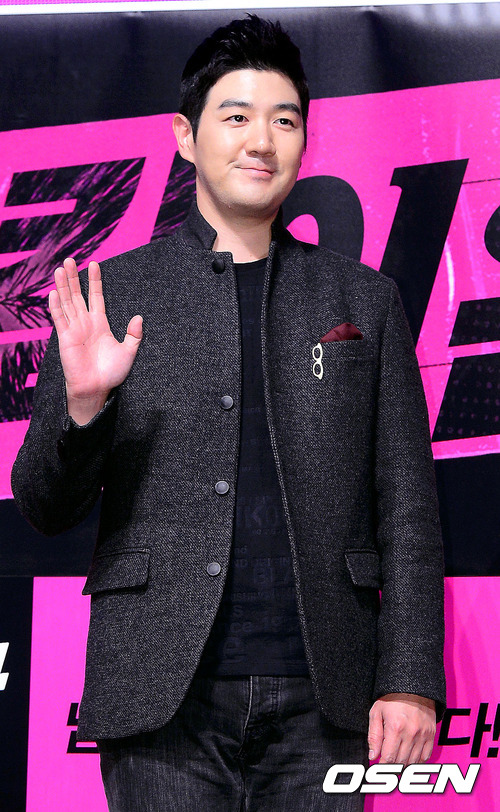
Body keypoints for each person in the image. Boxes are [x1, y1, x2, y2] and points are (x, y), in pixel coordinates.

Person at [11, 14, 445, 812]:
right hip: (160, 699)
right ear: (186, 136)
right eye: (237, 116)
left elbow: (409, 507)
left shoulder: (363, 300)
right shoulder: (113, 293)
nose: (262, 141)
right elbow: (45, 506)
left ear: (304, 141)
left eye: (285, 120)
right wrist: (83, 407)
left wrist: (411, 680)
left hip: (326, 697)